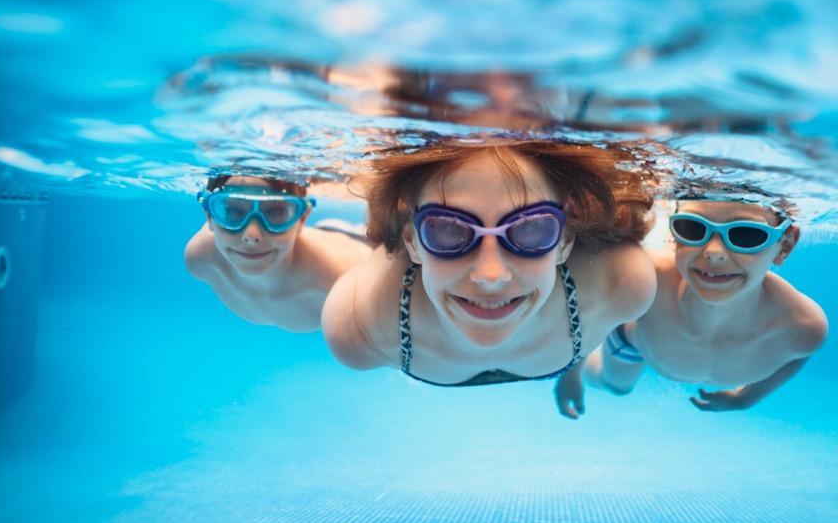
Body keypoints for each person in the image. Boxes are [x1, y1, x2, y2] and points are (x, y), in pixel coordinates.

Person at [321, 138, 657, 418]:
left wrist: (574, 365)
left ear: (565, 242)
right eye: (448, 230)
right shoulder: (359, 324)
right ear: (413, 242)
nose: (490, 276)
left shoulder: (622, 283)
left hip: (569, 347)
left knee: (615, 384)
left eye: (531, 229)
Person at [577, 198, 828, 412]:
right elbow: (588, 314)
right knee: (614, 386)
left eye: (746, 234)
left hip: (661, 351)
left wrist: (745, 398)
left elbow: (799, 355)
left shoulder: (803, 325)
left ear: (785, 245)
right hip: (632, 343)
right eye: (693, 228)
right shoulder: (645, 276)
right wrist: (570, 372)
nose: (713, 251)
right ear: (673, 235)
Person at [184, 174, 373, 333]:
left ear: (302, 219)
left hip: (367, 243)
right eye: (233, 211)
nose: (251, 235)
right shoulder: (201, 258)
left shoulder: (344, 284)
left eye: (275, 211)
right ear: (209, 216)